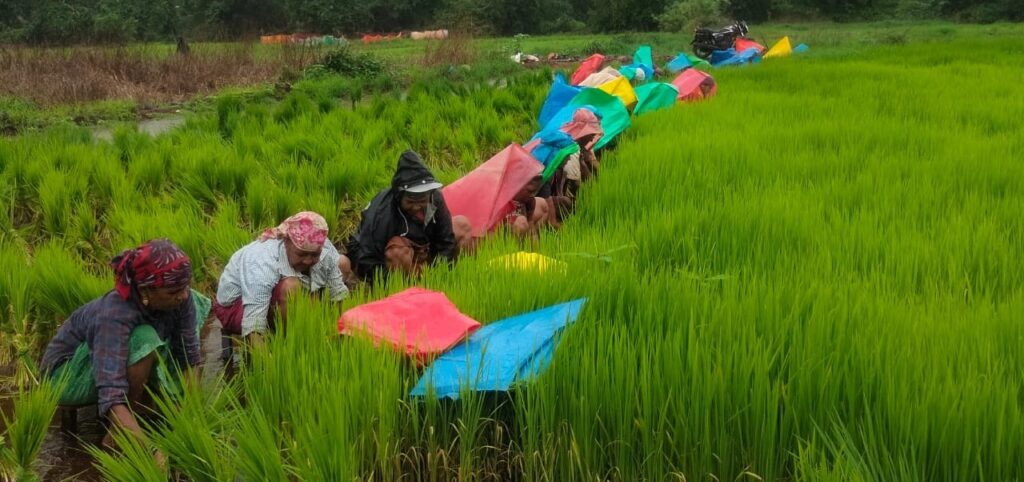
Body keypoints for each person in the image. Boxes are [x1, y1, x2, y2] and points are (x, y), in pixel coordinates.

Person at [39, 239, 200, 458]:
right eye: (174, 291)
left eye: (186, 286)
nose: (183, 295)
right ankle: (117, 433)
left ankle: (133, 420)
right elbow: (111, 392)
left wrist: (188, 421)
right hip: (65, 376)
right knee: (144, 338)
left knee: (191, 310)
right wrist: (151, 451)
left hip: (109, 359)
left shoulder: (183, 297)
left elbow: (189, 358)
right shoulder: (114, 313)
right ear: (145, 290)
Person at [214, 211, 348, 347]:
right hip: (235, 306)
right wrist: (273, 364)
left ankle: (308, 337)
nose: (308, 261)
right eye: (301, 254)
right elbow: (253, 327)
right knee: (291, 287)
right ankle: (288, 343)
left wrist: (343, 334)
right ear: (286, 241)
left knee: (342, 264)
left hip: (279, 293)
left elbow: (338, 295)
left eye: (314, 255)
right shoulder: (262, 261)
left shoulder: (321, 244)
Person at [341, 150, 472, 284]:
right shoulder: (383, 211)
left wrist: (440, 276)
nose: (416, 207)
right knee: (397, 251)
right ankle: (408, 288)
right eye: (410, 202)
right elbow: (367, 258)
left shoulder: (435, 198)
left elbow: (446, 241)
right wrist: (389, 285)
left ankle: (455, 280)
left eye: (421, 200)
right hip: (390, 259)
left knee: (461, 225)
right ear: (400, 196)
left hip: (423, 249)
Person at [545, 109, 603, 227]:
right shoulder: (571, 150)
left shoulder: (577, 146)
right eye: (591, 135)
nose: (592, 139)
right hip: (553, 198)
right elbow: (575, 184)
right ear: (584, 133)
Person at [505, 173, 551, 239]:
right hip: (500, 229)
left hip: (516, 227)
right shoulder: (502, 198)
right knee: (521, 221)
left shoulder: (529, 200)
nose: (532, 195)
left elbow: (531, 228)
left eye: (534, 192)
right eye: (529, 191)